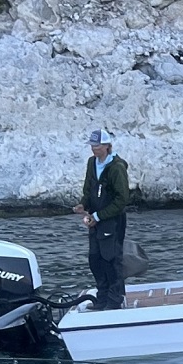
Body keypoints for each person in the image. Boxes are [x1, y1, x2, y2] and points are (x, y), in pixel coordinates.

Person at [73, 128, 130, 310]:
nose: (94, 149)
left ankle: (114, 300)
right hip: (95, 220)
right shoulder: (92, 163)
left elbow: (122, 200)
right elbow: (88, 188)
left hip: (112, 221)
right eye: (92, 145)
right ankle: (102, 297)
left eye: (97, 146)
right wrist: (84, 205)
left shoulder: (117, 168)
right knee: (95, 259)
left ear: (107, 146)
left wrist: (98, 216)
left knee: (111, 260)